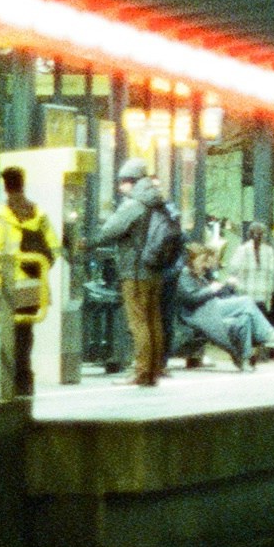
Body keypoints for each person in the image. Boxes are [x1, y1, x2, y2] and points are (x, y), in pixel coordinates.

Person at [91, 160, 182, 387]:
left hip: (135, 271)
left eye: (122, 182)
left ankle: (141, 372)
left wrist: (88, 242)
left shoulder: (134, 204)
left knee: (138, 323)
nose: (121, 187)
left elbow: (109, 231)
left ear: (131, 181)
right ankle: (153, 371)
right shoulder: (157, 202)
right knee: (154, 321)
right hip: (155, 270)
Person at [0, 165, 57, 397]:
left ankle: (11, 384)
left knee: (10, 336)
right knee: (25, 335)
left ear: (5, 186)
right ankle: (24, 382)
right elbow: (54, 250)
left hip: (9, 287)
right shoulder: (39, 216)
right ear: (23, 183)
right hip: (34, 287)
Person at [174, 245, 274, 367]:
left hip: (209, 311)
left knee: (244, 317)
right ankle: (270, 335)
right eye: (202, 261)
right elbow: (191, 298)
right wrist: (211, 290)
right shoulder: (185, 275)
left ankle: (244, 359)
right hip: (201, 314)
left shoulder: (200, 277)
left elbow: (215, 295)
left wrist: (226, 287)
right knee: (246, 301)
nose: (205, 265)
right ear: (191, 261)